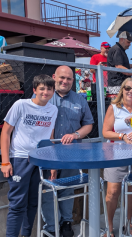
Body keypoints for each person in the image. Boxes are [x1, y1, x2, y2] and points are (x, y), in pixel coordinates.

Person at [1, 75, 58, 237]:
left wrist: (52, 164)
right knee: (18, 204)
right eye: (42, 88)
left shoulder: (53, 110)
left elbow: (49, 137)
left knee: (33, 203)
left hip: (41, 160)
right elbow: (5, 132)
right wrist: (5, 162)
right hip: (19, 159)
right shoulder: (21, 105)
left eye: (49, 89)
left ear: (53, 91)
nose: (45, 92)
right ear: (34, 90)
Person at [41, 66, 94, 236]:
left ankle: (66, 223)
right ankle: (51, 227)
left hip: (71, 153)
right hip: (48, 153)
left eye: (69, 79)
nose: (65, 81)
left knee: (68, 189)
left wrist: (76, 134)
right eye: (62, 78)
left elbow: (88, 125)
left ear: (73, 80)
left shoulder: (80, 99)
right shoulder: (45, 97)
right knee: (48, 191)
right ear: (54, 77)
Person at [102, 78, 132, 237]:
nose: (130, 91)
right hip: (116, 155)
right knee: (112, 192)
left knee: (131, 191)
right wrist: (123, 136)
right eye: (127, 88)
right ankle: (109, 227)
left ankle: (127, 223)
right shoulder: (114, 107)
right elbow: (105, 132)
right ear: (122, 90)